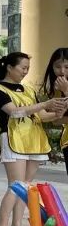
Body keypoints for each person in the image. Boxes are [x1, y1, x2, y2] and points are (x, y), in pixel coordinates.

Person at [0, 52, 63, 226]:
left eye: (28, 68)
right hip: (13, 140)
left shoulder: (28, 89)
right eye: (23, 68)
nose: (26, 72)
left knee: (26, 186)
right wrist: (45, 104)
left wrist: (57, 111)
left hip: (34, 141)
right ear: (9, 67)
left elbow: (42, 116)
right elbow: (14, 112)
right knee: (16, 185)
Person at [40, 48, 68, 176]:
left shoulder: (63, 87)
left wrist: (66, 90)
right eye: (58, 67)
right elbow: (56, 120)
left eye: (67, 67)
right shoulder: (56, 87)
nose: (62, 71)